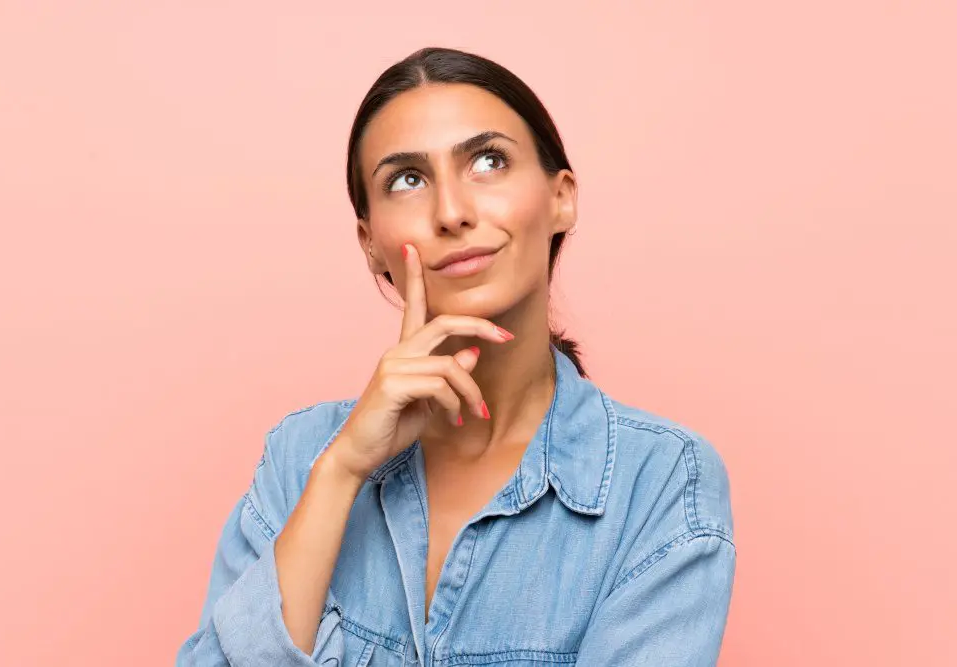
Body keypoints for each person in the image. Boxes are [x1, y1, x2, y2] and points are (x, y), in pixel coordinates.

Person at [177, 46, 735, 667]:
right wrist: (340, 474)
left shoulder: (657, 482)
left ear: (561, 198)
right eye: (407, 180)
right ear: (370, 242)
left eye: (488, 161)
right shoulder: (299, 459)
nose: (451, 212)